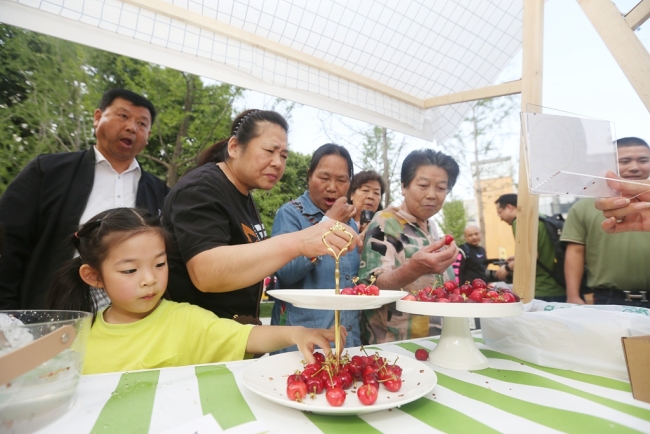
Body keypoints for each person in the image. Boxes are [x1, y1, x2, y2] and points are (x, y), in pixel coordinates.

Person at [45, 208, 344, 375]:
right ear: (94, 276)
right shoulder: (73, 338)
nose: (149, 279)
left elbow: (246, 336)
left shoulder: (185, 320)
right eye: (130, 270)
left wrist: (296, 334)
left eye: (160, 264)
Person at [162, 112, 360, 324]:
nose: (278, 163)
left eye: (284, 156)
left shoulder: (243, 195)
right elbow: (206, 273)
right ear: (234, 147)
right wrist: (301, 241)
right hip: (199, 345)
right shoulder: (202, 188)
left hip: (233, 338)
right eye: (269, 151)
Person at [0, 89, 169, 310]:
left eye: (142, 123)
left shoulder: (161, 192)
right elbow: (9, 240)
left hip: (130, 318)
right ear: (97, 118)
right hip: (48, 308)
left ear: (147, 137)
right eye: (123, 116)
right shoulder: (48, 171)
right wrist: (6, 309)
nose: (131, 127)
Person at [358, 149, 459, 344]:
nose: (431, 195)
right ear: (404, 186)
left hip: (433, 341)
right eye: (423, 185)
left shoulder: (432, 228)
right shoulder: (386, 222)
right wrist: (414, 269)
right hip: (394, 345)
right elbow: (370, 285)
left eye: (440, 188)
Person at [271, 144, 362, 351]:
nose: (332, 187)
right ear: (309, 176)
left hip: (346, 340)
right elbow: (286, 273)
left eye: (341, 180)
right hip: (302, 343)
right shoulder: (290, 214)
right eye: (324, 178)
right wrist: (326, 223)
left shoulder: (351, 224)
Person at [562, 138, 650, 306]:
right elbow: (575, 252)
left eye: (643, 160)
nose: (634, 167)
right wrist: (573, 296)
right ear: (610, 165)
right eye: (624, 161)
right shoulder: (584, 207)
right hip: (608, 300)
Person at [494, 194, 566, 302]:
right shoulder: (540, 218)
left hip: (542, 290)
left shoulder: (520, 221)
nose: (500, 218)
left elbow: (530, 256)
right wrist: (517, 257)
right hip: (560, 286)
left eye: (500, 213)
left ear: (509, 207)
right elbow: (541, 250)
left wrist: (507, 268)